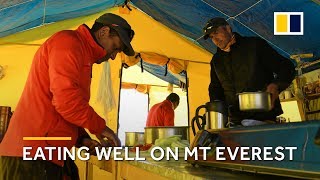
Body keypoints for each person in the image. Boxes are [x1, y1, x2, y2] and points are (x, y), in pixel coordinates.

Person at [0, 13, 135, 179]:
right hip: (32, 154)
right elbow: (66, 102)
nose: (113, 56)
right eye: (115, 48)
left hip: (48, 153)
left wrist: (82, 139)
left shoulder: (82, 52)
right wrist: (102, 129)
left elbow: (65, 108)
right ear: (104, 32)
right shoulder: (68, 43)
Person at [203, 17, 295, 126]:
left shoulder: (255, 45)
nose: (215, 40)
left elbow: (287, 67)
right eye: (212, 37)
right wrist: (216, 111)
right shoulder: (216, 60)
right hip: (234, 123)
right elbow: (215, 88)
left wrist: (276, 85)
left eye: (216, 33)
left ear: (228, 29)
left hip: (262, 119)